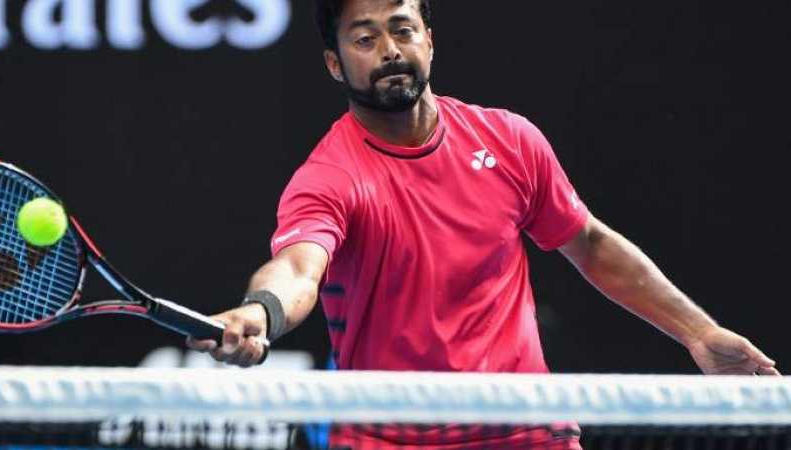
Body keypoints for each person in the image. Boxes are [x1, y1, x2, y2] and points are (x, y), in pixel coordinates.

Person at [187, 0, 780, 448]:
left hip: (526, 431)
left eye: (402, 28)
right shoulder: (331, 177)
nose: (390, 49)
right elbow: (298, 268)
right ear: (335, 65)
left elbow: (591, 245)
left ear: (429, 40)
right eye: (364, 39)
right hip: (388, 440)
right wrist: (259, 310)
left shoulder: (509, 140)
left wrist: (699, 334)